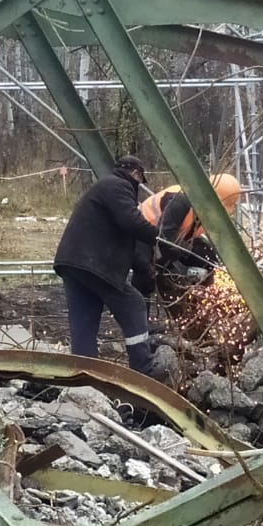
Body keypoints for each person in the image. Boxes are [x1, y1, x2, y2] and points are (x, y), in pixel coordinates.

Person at [53, 155, 161, 374]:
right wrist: (158, 237)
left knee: (85, 320)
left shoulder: (105, 187)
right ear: (136, 174)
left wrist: (145, 268)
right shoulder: (118, 185)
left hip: (74, 263)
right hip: (93, 263)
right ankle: (144, 368)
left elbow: (124, 240)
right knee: (134, 304)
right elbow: (130, 221)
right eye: (140, 180)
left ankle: (85, 374)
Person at [131, 173, 242, 300]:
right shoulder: (179, 200)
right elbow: (165, 238)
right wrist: (179, 269)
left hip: (173, 238)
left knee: (207, 257)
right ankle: (140, 316)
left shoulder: (208, 211)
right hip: (143, 235)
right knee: (146, 275)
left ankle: (203, 300)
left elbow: (217, 241)